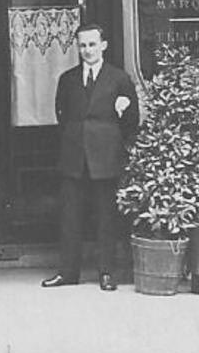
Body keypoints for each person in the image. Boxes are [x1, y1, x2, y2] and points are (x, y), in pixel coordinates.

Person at [43, 22, 139, 292]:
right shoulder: (68, 78)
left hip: (106, 157)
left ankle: (107, 272)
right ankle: (68, 272)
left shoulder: (119, 78)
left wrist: (124, 110)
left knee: (106, 217)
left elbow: (133, 122)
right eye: (82, 45)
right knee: (70, 217)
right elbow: (61, 115)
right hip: (73, 157)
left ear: (103, 45)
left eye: (92, 44)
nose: (87, 50)